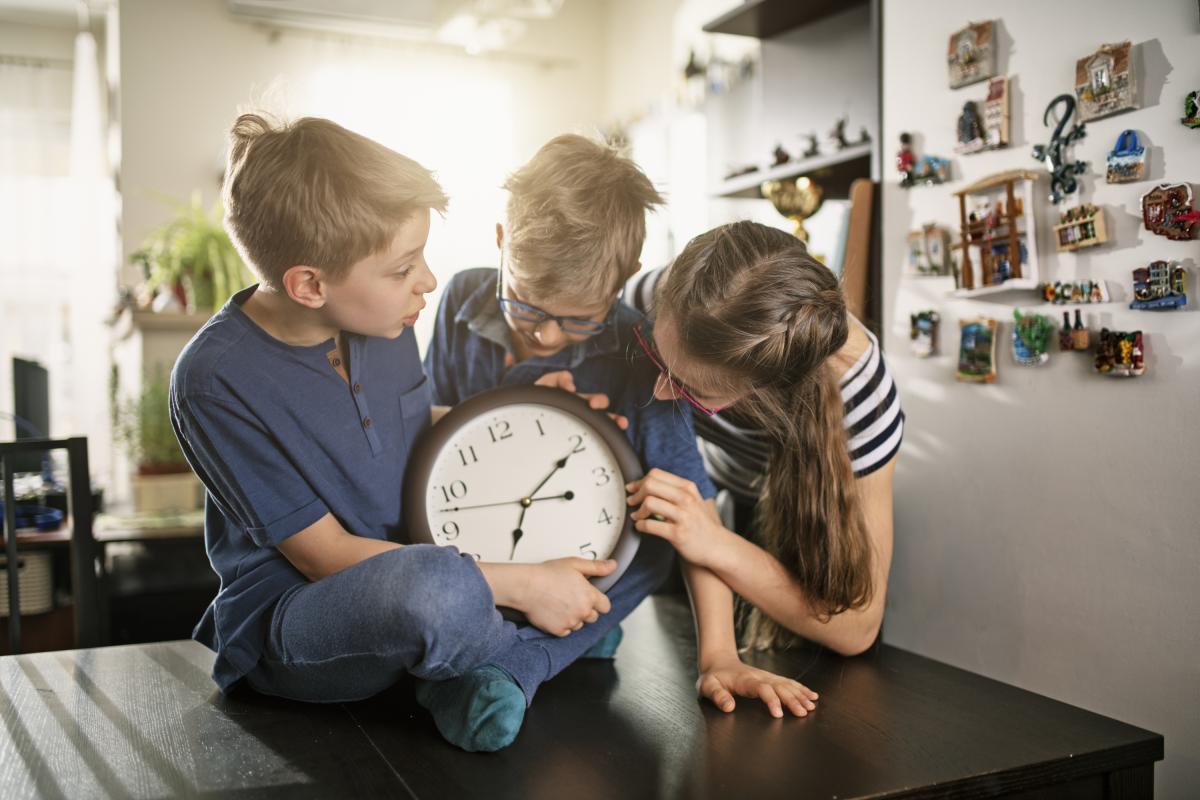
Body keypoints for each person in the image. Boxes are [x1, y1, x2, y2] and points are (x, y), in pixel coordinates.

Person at [170, 114, 622, 754]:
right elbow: (321, 556)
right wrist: (521, 583)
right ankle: (522, 648)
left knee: (469, 559)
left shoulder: (383, 318)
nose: (429, 281)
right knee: (433, 591)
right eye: (403, 267)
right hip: (303, 612)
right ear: (309, 284)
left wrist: (518, 416)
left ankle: (498, 640)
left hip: (428, 554)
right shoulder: (214, 381)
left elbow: (407, 432)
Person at [424, 137, 820, 720]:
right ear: (503, 242)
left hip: (584, 553)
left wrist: (719, 655)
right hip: (475, 534)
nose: (547, 337)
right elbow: (429, 436)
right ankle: (568, 636)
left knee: (650, 551)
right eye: (527, 305)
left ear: (624, 280)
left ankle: (518, 664)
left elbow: (690, 511)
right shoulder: (459, 297)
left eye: (579, 321)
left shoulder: (640, 356)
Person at [623, 220, 902, 714]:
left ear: (766, 390)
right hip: (704, 501)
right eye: (656, 358)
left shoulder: (863, 398)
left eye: (692, 391)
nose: (659, 392)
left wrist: (715, 541)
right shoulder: (663, 295)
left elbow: (858, 627)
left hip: (792, 520)